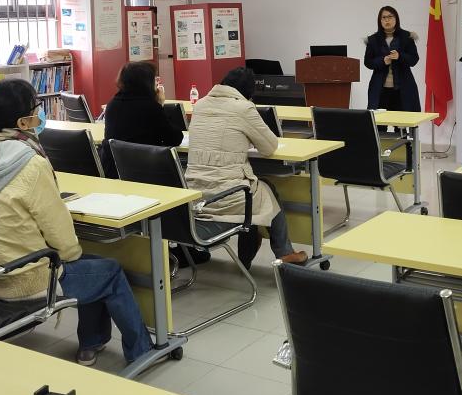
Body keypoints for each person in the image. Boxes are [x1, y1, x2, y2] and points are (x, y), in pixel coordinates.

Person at [0, 79, 151, 367]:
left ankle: (91, 344)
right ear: (23, 122)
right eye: (36, 108)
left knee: (92, 267)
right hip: (28, 281)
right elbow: (60, 233)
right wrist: (71, 255)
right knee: (107, 270)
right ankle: (142, 351)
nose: (40, 113)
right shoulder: (30, 163)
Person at [184, 67, 307, 270]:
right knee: (266, 189)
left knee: (256, 188)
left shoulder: (201, 104)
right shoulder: (244, 108)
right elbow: (269, 147)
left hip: (195, 195)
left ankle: (249, 251)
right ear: (249, 92)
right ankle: (284, 252)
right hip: (225, 197)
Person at [100, 61, 183, 179]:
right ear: (146, 82)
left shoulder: (112, 104)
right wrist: (160, 105)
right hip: (145, 172)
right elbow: (175, 139)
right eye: (154, 79)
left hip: (113, 171)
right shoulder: (151, 107)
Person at [364, 6, 420, 112]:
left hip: (403, 88)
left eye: (390, 17)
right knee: (379, 121)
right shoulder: (373, 40)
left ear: (396, 18)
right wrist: (382, 61)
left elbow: (414, 59)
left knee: (403, 121)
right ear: (380, 20)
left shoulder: (407, 37)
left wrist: (400, 56)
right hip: (379, 89)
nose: (387, 20)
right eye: (384, 17)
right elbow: (368, 62)